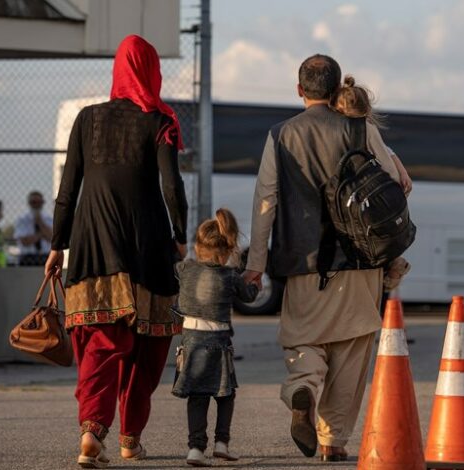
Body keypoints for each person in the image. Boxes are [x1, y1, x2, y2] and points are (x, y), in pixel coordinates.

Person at [242, 54, 403, 462]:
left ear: (300, 90)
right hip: (360, 259)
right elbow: (397, 182)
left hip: (303, 262)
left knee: (305, 338)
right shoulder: (359, 128)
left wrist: (256, 264)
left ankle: (303, 388)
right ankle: (334, 441)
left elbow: (265, 201)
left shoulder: (280, 135)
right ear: (336, 90)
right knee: (351, 348)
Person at [44, 35, 188, 468]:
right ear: (151, 70)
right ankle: (129, 438)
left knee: (101, 339)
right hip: (146, 240)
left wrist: (57, 245)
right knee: (146, 344)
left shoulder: (86, 119)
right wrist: (179, 236)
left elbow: (67, 190)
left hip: (92, 238)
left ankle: (92, 431)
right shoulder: (160, 119)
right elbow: (171, 186)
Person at [172, 208, 259, 467]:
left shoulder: (185, 268)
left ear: (198, 247)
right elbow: (249, 296)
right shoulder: (231, 276)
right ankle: (222, 444)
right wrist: (254, 284)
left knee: (197, 397)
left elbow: (172, 268)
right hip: (219, 343)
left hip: (191, 343)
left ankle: (195, 449)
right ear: (227, 249)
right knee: (225, 394)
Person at [331, 75, 413, 315]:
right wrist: (399, 171)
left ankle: (392, 261)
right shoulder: (369, 129)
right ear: (366, 109)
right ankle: (393, 260)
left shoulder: (337, 129)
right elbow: (389, 165)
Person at [14, 190, 53, 266]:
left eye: (39, 202)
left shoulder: (49, 219)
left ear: (42, 203)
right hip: (27, 256)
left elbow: (52, 238)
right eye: (34, 202)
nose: (36, 205)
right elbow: (25, 241)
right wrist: (42, 234)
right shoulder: (22, 220)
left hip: (45, 256)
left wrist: (39, 222)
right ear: (29, 203)